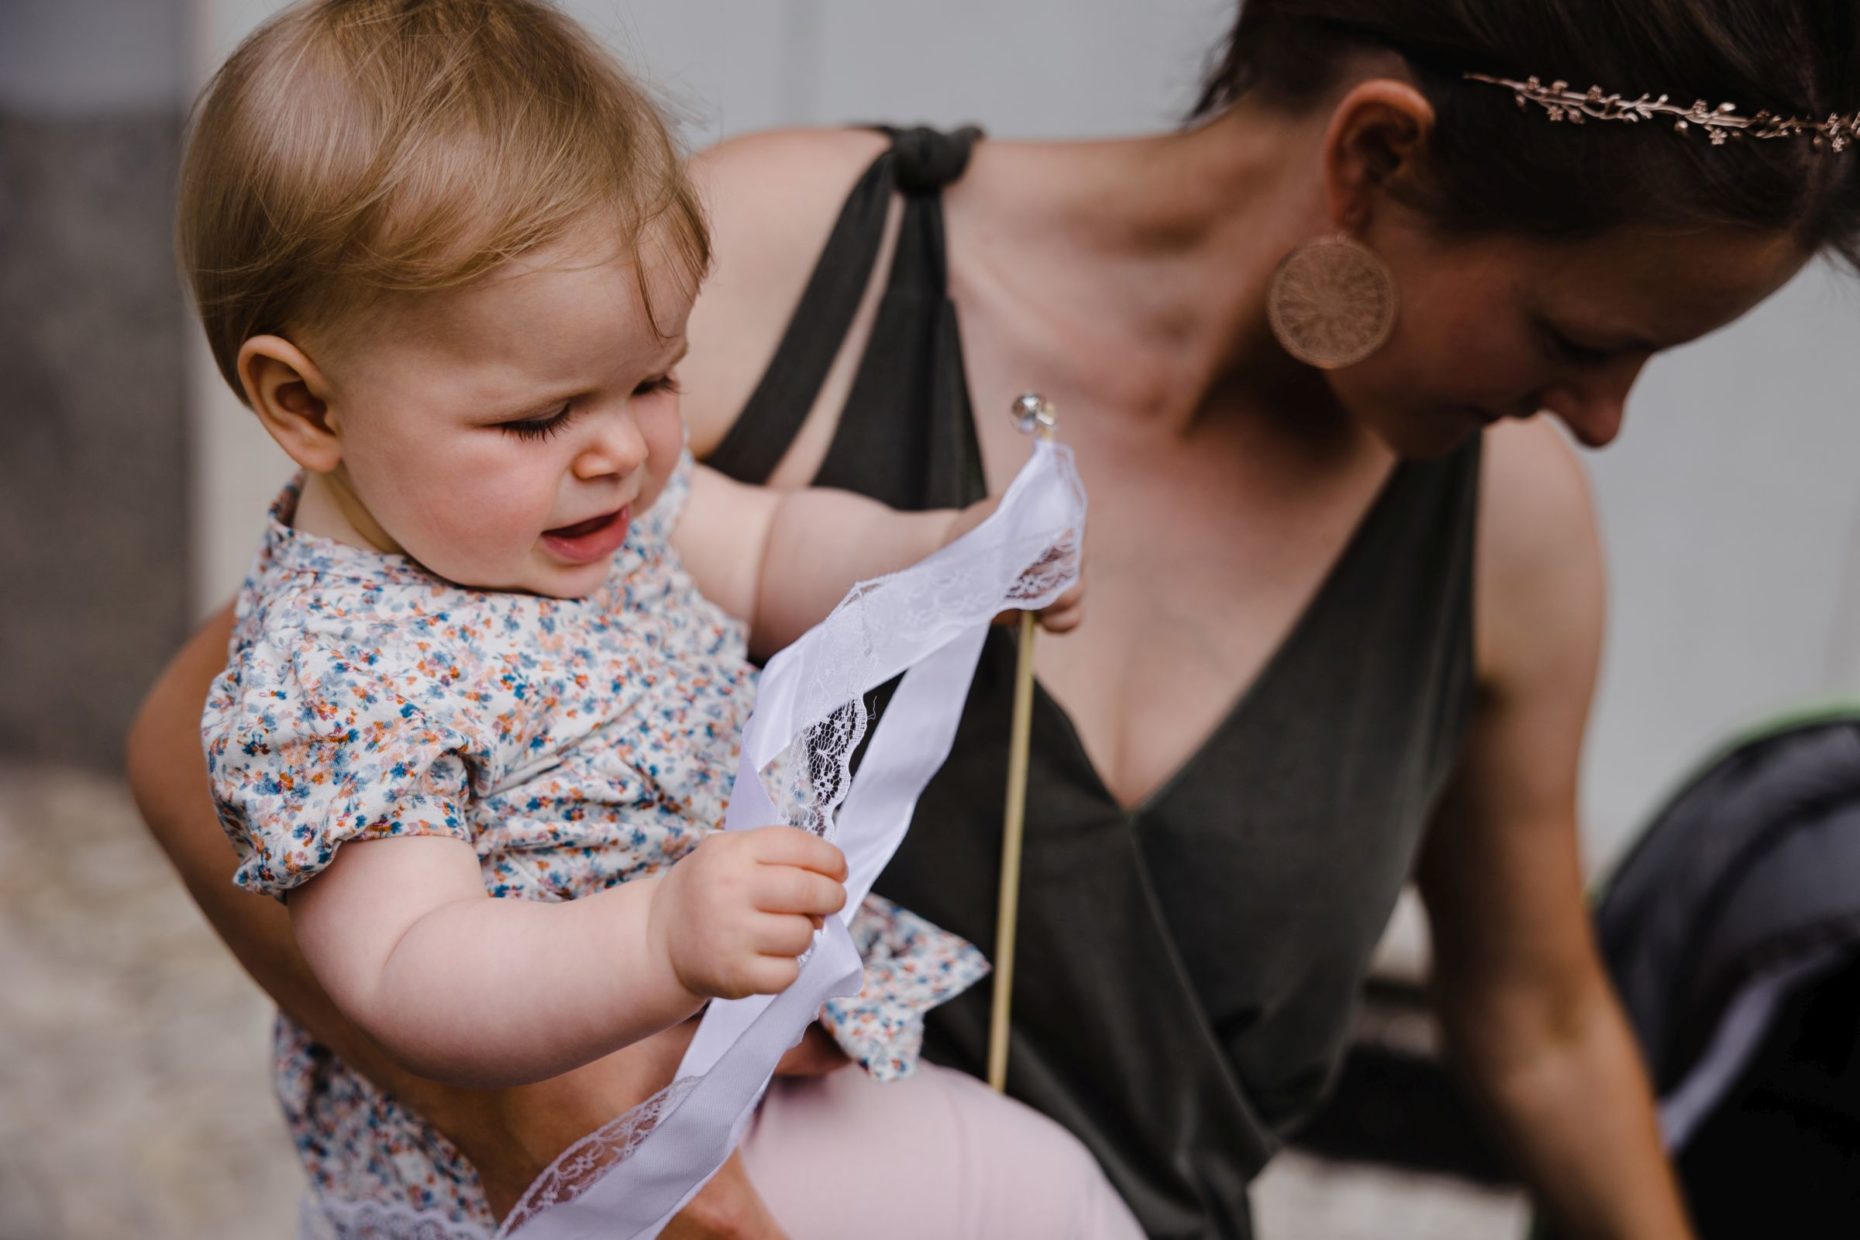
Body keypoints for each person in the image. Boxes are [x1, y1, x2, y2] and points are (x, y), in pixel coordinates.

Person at [129, 0, 1860, 1236]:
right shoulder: (778, 258)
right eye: (1579, 336)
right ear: (1376, 157)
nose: (1605, 420)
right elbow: (215, 750)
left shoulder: (1514, 532)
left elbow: (1541, 1019)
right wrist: (563, 1151)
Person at [162, 2, 1133, 1237]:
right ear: (306, 404)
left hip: (728, 1076)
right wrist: (660, 936)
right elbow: (407, 966)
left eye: (655, 377)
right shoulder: (335, 674)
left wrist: (949, 559)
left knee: (1040, 1190)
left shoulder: (587, 500)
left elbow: (777, 545)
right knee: (1034, 1197)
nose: (620, 448)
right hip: (559, 1178)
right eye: (536, 416)